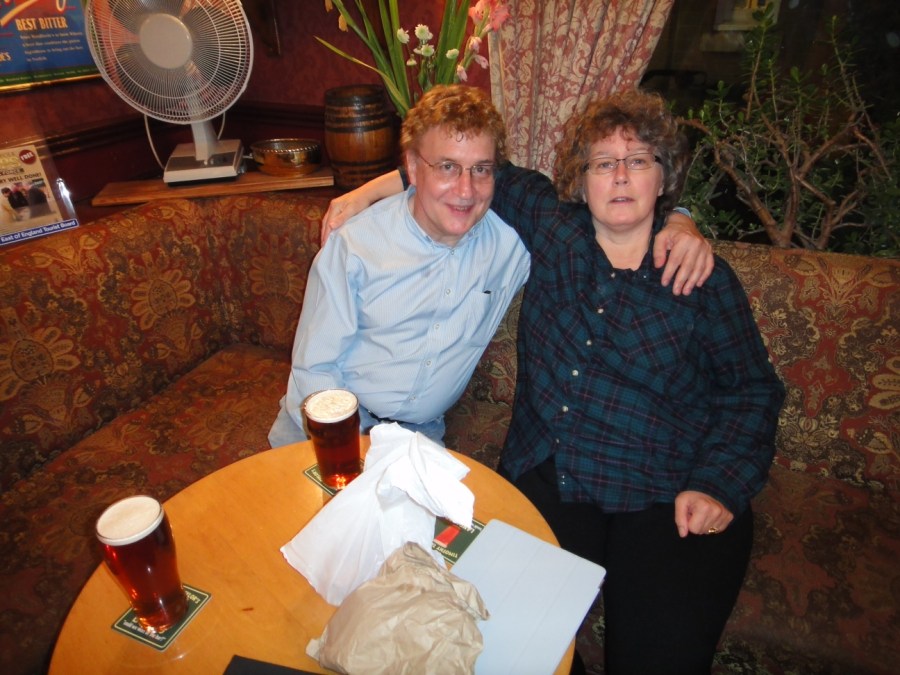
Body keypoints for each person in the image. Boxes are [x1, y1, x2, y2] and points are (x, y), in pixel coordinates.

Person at [322, 88, 785, 674]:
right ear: (581, 180)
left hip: (669, 489)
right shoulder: (554, 228)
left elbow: (752, 391)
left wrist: (718, 484)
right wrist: (364, 192)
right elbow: (457, 165)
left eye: (638, 161)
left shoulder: (701, 279)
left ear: (664, 178)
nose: (620, 177)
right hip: (554, 474)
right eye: (603, 163)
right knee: (499, 654)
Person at [269, 84, 710, 448]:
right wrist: (349, 446)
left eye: (481, 169)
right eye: (447, 167)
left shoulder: (514, 238)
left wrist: (679, 218)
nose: (466, 190)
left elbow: (615, 212)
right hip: (328, 426)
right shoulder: (355, 245)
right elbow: (315, 370)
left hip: (417, 440)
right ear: (412, 168)